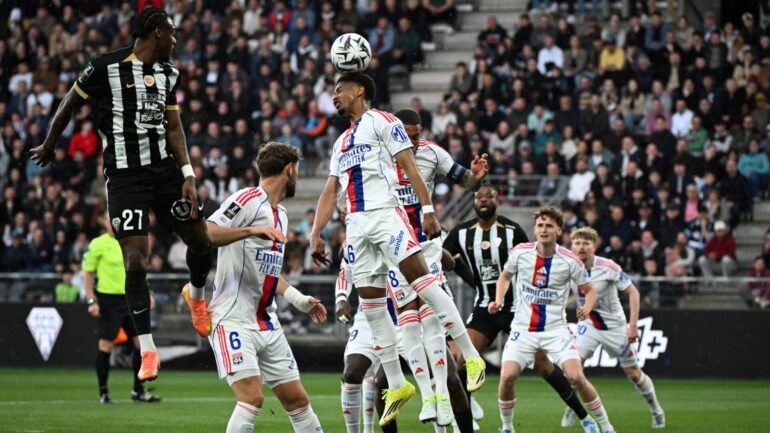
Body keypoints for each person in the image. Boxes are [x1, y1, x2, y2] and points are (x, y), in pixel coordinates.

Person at [31, 7, 214, 383]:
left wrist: (188, 174)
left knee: (202, 241)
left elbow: (175, 129)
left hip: (164, 173)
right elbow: (69, 102)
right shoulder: (105, 67)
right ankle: (147, 349)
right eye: (173, 34)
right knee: (136, 258)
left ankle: (195, 295)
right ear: (158, 33)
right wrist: (50, 143)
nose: (176, 42)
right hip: (126, 177)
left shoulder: (168, 74)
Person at [310, 72, 486, 426]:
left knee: (424, 283)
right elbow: (330, 191)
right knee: (373, 304)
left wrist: (429, 209)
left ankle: (470, 355)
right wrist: (316, 233)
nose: (334, 95)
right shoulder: (340, 142)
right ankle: (397, 382)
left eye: (340, 90)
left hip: (386, 216)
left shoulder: (383, 122)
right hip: (357, 225)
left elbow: (409, 165)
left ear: (359, 90)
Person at [444, 186, 599, 430]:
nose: (484, 201)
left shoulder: (512, 230)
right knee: (463, 361)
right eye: (479, 197)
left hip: (518, 309)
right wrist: (472, 280)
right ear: (473, 202)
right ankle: (467, 410)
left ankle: (582, 414)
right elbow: (446, 257)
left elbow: (530, 263)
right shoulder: (462, 232)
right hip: (485, 306)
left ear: (497, 201)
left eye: (489, 197)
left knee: (545, 367)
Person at [376, 108, 488, 428]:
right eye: (406, 135)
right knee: (408, 320)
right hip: (394, 247)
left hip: (426, 245)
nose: (412, 141)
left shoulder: (432, 154)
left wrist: (477, 177)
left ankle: (445, 388)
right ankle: (428, 395)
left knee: (432, 312)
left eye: (416, 135)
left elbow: (467, 182)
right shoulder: (378, 156)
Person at [205, 142, 326, 433]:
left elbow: (269, 272)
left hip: (266, 324)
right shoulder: (247, 199)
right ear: (289, 169)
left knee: (297, 400)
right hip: (232, 320)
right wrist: (251, 229)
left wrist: (299, 300)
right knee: (252, 398)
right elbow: (207, 232)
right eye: (296, 170)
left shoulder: (281, 214)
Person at [490, 207, 614, 433]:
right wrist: (498, 300)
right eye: (540, 225)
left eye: (548, 226)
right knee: (507, 377)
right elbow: (505, 276)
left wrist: (586, 306)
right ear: (535, 229)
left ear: (559, 230)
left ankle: (606, 427)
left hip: (555, 330)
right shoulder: (520, 253)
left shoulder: (570, 260)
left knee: (577, 377)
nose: (543, 230)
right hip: (523, 329)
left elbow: (590, 290)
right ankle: (507, 427)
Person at [565, 227, 666, 429]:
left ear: (594, 246)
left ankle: (656, 410)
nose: (581, 247)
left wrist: (633, 326)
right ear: (572, 245)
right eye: (577, 243)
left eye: (586, 243)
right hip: (588, 326)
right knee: (573, 372)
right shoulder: (567, 267)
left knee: (634, 374)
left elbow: (634, 293)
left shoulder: (608, 266)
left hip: (615, 327)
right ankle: (575, 409)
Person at [83, 212, 160, 404]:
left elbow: (138, 270)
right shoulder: (98, 244)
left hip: (130, 299)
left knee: (139, 344)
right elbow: (87, 274)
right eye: (111, 221)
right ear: (105, 223)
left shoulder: (129, 241)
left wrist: (146, 293)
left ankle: (138, 390)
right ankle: (103, 392)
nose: (114, 224)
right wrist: (92, 301)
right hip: (108, 300)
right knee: (106, 346)